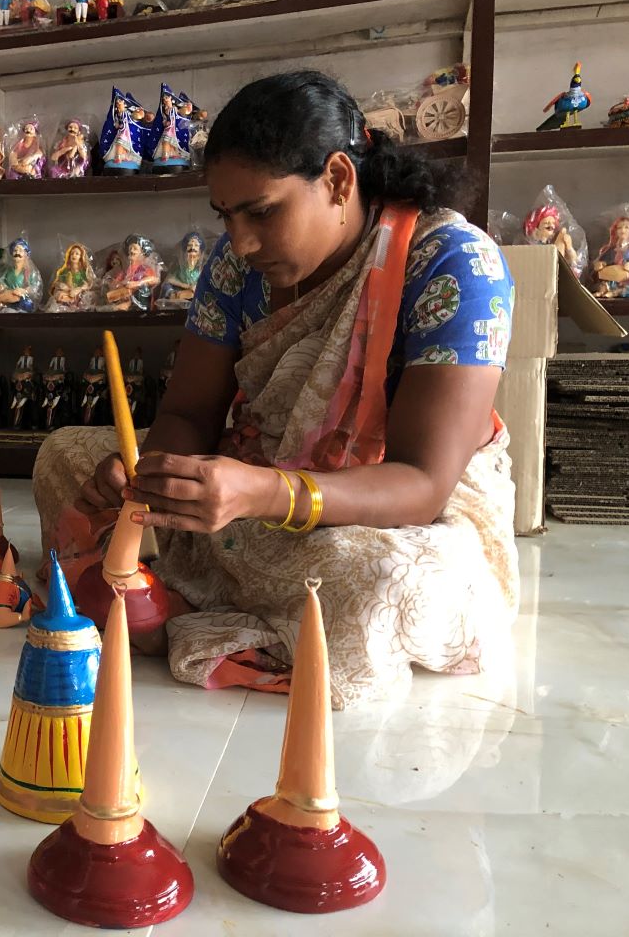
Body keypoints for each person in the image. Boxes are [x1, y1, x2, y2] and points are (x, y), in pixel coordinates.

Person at [33, 70, 518, 708]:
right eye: (225, 216)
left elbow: (422, 485)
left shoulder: (454, 263)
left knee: (386, 583)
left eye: (262, 211)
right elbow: (187, 412)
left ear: (340, 180)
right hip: (248, 478)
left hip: (385, 508)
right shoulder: (235, 268)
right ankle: (189, 595)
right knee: (63, 456)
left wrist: (264, 493)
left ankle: (167, 601)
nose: (240, 240)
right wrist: (146, 472)